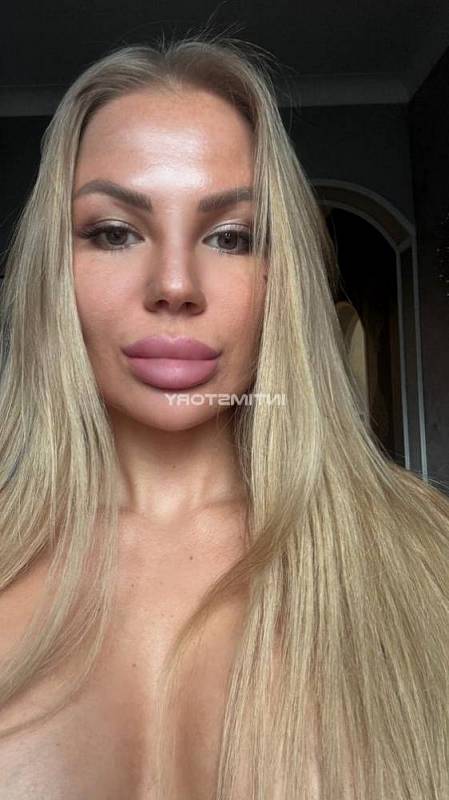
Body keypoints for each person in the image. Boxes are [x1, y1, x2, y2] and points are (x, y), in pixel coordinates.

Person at [0, 28, 448, 800]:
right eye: (114, 232)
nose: (175, 285)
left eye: (231, 237)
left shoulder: (429, 562)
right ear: (52, 271)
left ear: (281, 278)